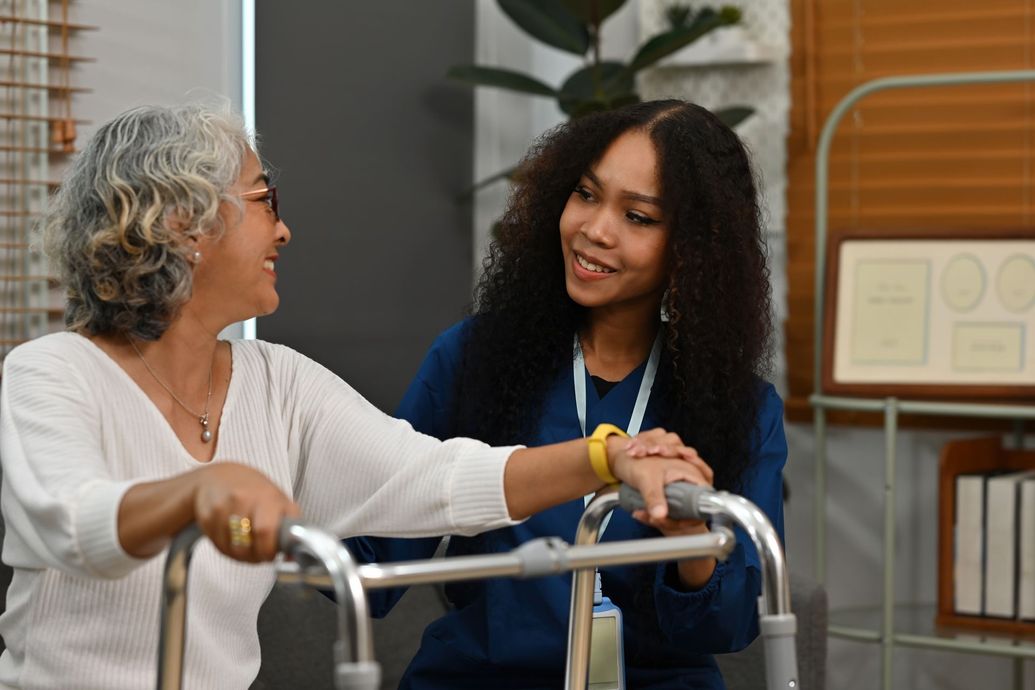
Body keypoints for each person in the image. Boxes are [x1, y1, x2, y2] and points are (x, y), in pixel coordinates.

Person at [0, 103, 708, 690]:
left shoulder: (276, 382)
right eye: (262, 200)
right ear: (184, 225)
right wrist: (195, 494)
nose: (283, 228)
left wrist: (606, 457)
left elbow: (437, 478)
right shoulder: (52, 373)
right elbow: (73, 523)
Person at [348, 100, 788, 689]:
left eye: (638, 216)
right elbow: (371, 553)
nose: (595, 229)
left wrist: (691, 540)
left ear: (693, 249)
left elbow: (729, 627)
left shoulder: (744, 408)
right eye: (585, 194)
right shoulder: (474, 358)